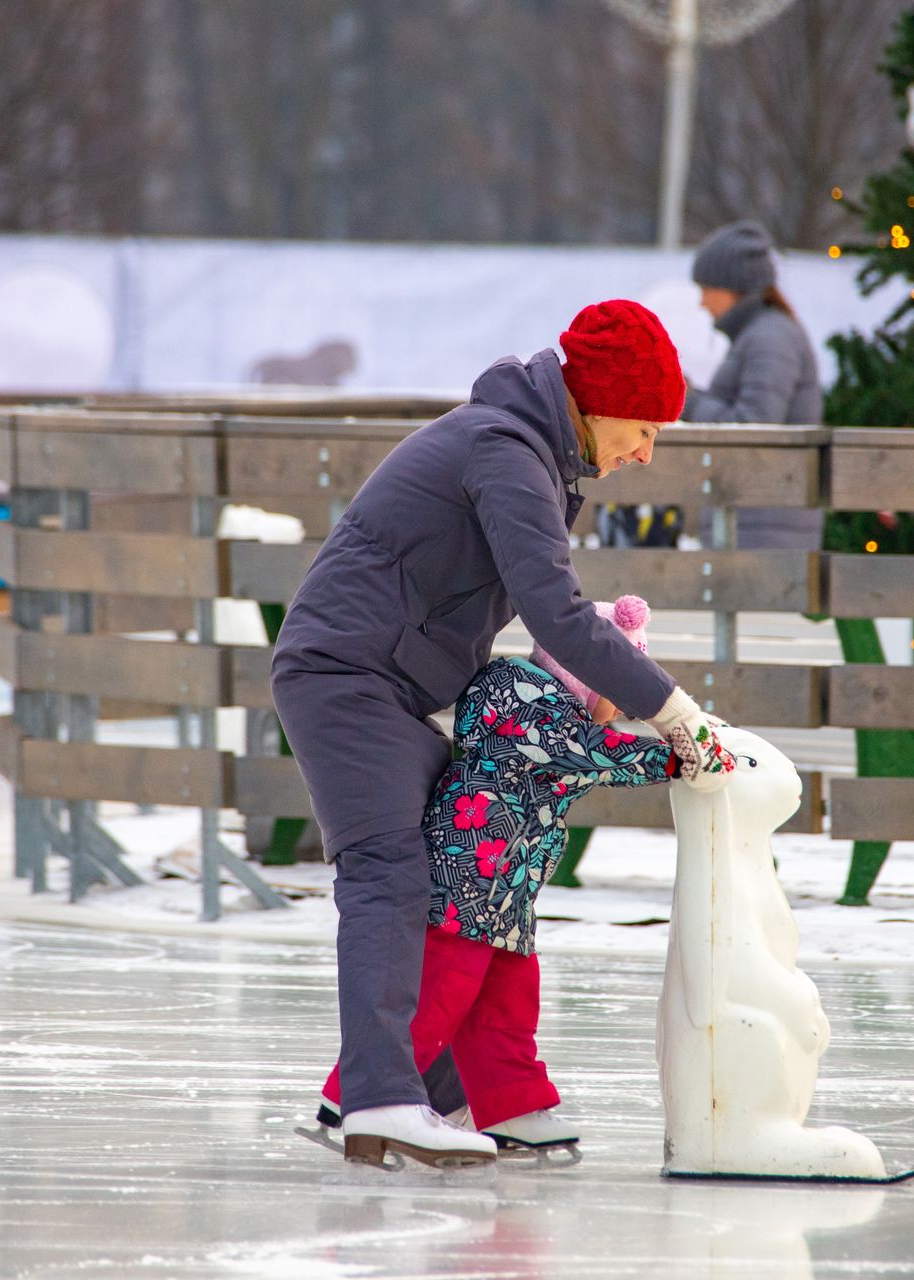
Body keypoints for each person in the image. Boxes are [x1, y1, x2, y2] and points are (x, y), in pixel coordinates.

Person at [271, 300, 736, 1169]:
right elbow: (553, 612)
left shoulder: (527, 455)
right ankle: (377, 1099)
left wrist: (596, 691)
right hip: (344, 678)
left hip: (387, 689)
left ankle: (469, 1092)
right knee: (390, 875)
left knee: (464, 869)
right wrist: (672, 710)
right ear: (597, 404)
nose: (645, 452)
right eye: (643, 427)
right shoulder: (505, 451)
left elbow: (548, 613)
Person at [313, 597, 680, 1156]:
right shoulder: (523, 702)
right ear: (583, 674)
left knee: (506, 1003)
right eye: (616, 693)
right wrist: (678, 757)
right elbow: (589, 752)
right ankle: (359, 1092)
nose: (620, 710)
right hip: (468, 878)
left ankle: (512, 1105)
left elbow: (583, 753)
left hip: (506, 891)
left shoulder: (550, 710)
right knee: (440, 995)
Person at [683, 220, 826, 551]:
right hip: (757, 527)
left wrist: (687, 402)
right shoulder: (760, 334)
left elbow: (753, 426)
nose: (702, 302)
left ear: (734, 286)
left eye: (706, 289)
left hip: (764, 536)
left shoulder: (770, 338)